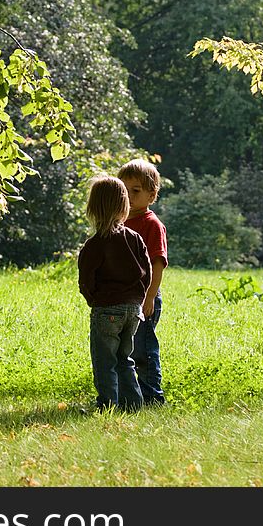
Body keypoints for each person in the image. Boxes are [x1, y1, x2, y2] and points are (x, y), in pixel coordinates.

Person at [78, 175, 151, 411]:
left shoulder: (95, 244)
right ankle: (133, 404)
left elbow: (86, 279)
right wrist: (138, 299)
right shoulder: (135, 238)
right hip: (133, 310)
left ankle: (107, 404)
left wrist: (94, 300)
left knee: (104, 361)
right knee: (124, 358)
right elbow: (146, 271)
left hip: (106, 309)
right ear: (124, 206)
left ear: (93, 208)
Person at [117, 158, 168, 406]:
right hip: (122, 297)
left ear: (151, 194)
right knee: (124, 348)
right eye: (123, 190)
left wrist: (149, 297)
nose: (128, 196)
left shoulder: (151, 224)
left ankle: (152, 396)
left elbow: (157, 264)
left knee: (143, 348)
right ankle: (128, 394)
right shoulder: (119, 221)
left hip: (144, 297)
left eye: (135, 191)